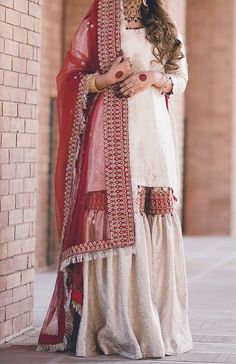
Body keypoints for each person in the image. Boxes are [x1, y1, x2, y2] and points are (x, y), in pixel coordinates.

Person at [37, 0, 193, 359]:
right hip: (109, 137)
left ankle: (156, 325)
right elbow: (70, 75)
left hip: (153, 133)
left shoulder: (164, 25)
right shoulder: (96, 25)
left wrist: (155, 79)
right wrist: (106, 79)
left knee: (151, 216)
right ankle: (114, 324)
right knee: (111, 217)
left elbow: (181, 79)